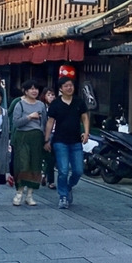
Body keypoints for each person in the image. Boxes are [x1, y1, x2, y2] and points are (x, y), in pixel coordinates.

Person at [44, 76, 90, 209]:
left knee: (78, 171)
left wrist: (86, 132)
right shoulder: (56, 104)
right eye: (66, 86)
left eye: (71, 85)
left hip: (76, 141)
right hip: (60, 141)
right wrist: (47, 140)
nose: (69, 88)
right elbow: (50, 122)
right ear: (61, 89)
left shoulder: (79, 102)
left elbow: (85, 117)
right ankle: (63, 196)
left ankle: (68, 187)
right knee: (63, 170)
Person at [9, 80, 47, 206]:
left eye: (36, 88)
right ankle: (19, 193)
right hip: (23, 136)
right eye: (31, 88)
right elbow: (16, 123)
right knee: (23, 164)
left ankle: (30, 195)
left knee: (35, 164)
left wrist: (44, 138)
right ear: (25, 91)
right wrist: (30, 117)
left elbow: (44, 123)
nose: (34, 91)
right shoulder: (20, 104)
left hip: (37, 137)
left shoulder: (41, 105)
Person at [40, 86, 57, 189]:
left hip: (56, 133)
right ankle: (46, 177)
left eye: (52, 95)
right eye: (48, 95)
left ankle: (47, 177)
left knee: (52, 158)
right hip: (46, 134)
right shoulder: (42, 107)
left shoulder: (57, 106)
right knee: (48, 157)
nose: (51, 97)